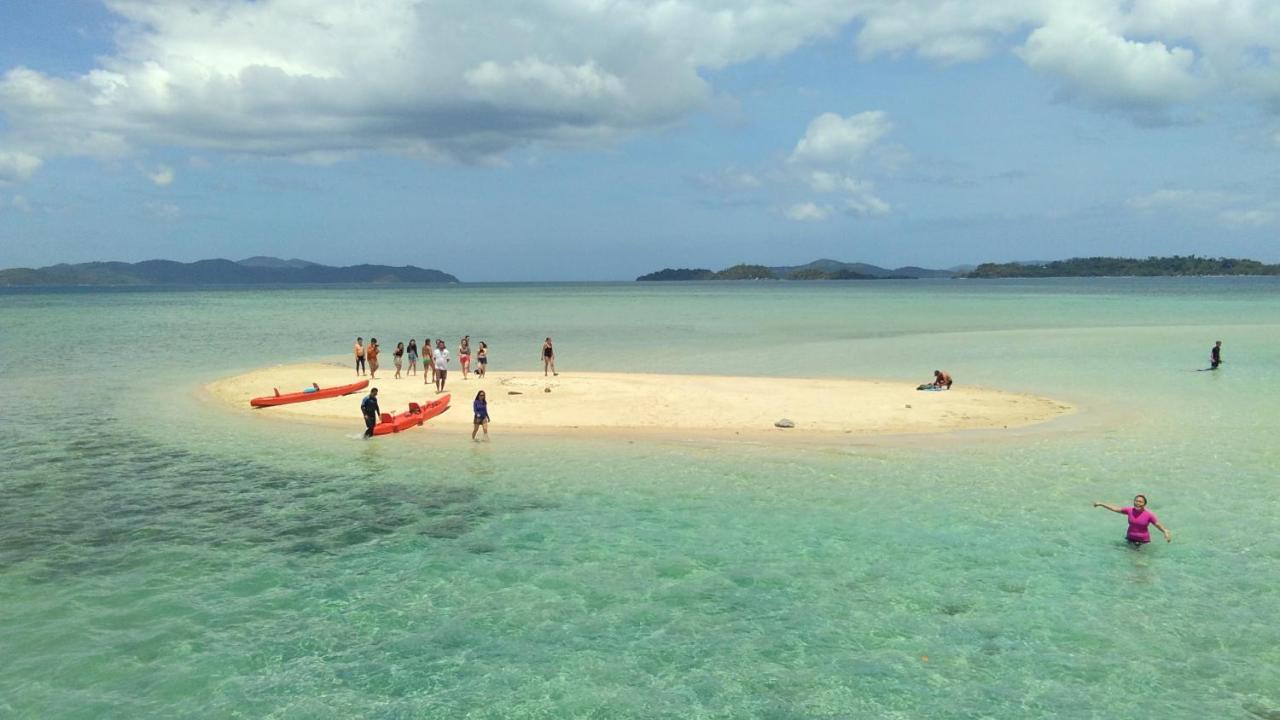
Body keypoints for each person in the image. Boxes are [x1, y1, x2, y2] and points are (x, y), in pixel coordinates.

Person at [1093, 495, 1172, 548]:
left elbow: (1157, 524)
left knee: (1139, 560)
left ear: (1145, 504)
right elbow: (1115, 509)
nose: (1137, 503)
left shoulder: (1148, 515)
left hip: (1143, 542)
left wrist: (1165, 531)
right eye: (1136, 501)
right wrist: (1101, 504)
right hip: (1129, 539)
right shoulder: (1129, 510)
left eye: (1140, 502)